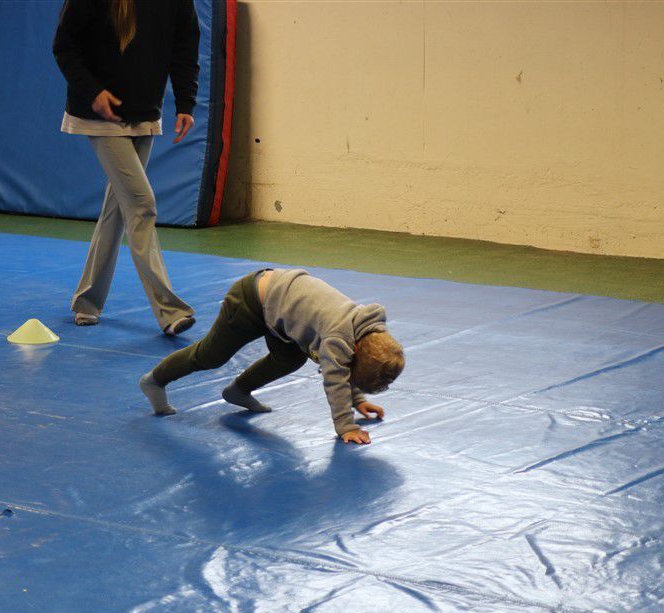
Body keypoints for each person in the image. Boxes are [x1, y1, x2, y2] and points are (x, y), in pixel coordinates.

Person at [53, 0, 200, 335]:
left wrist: (185, 102)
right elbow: (63, 45)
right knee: (141, 205)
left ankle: (87, 302)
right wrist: (92, 92)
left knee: (118, 208)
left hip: (145, 112)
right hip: (101, 115)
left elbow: (184, 46)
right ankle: (170, 310)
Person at [139, 269, 406, 444]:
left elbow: (348, 365)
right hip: (250, 300)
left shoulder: (371, 332)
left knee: (289, 358)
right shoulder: (339, 338)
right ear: (356, 351)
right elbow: (335, 379)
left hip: (282, 311)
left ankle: (238, 392)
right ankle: (154, 380)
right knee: (210, 356)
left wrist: (358, 400)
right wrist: (346, 426)